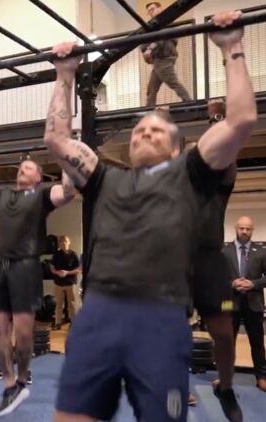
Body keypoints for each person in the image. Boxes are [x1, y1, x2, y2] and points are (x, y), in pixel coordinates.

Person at [45, 11, 256, 422]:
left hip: (160, 317)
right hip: (99, 314)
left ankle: (225, 386)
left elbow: (241, 120)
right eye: (139, 130)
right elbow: (56, 138)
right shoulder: (104, 177)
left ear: (176, 148)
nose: (144, 132)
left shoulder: (190, 172)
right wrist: (64, 74)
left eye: (156, 130)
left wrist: (232, 46)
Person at [0, 150, 75, 416]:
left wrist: (65, 158)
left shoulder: (42, 195)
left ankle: (23, 378)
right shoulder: (3, 195)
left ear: (38, 177)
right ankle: (10, 385)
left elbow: (68, 192)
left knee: (24, 334)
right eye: (21, 167)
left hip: (26, 266)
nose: (22, 169)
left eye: (29, 168)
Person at [186, 100, 241, 420]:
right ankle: (175, 385)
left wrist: (217, 119)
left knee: (222, 330)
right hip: (178, 263)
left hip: (211, 263)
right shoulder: (175, 188)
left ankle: (227, 387)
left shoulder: (219, 187)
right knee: (172, 331)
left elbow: (226, 151)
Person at [224, 216, 266, 392]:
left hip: (254, 303)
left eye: (248, 229)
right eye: (242, 228)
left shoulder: (261, 252)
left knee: (257, 342)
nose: (244, 231)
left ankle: (261, 377)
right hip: (228, 303)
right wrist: (231, 283)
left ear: (252, 230)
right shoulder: (224, 251)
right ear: (236, 228)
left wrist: (253, 284)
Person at [142, 1, 193, 107]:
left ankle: (189, 103)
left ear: (160, 8)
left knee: (173, 83)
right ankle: (149, 109)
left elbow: (162, 38)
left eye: (152, 9)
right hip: (158, 61)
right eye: (149, 11)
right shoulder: (153, 27)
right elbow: (144, 45)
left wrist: (150, 48)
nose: (151, 13)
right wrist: (146, 53)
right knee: (151, 89)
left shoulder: (166, 22)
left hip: (164, 60)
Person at [50, 235, 81, 330]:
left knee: (71, 304)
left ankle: (73, 323)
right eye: (62, 242)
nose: (64, 243)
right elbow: (52, 268)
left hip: (70, 283)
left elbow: (79, 269)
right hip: (58, 283)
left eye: (65, 241)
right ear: (59, 244)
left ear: (69, 242)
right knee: (58, 304)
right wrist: (57, 272)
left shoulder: (73, 254)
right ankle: (57, 323)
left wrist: (67, 272)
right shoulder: (56, 254)